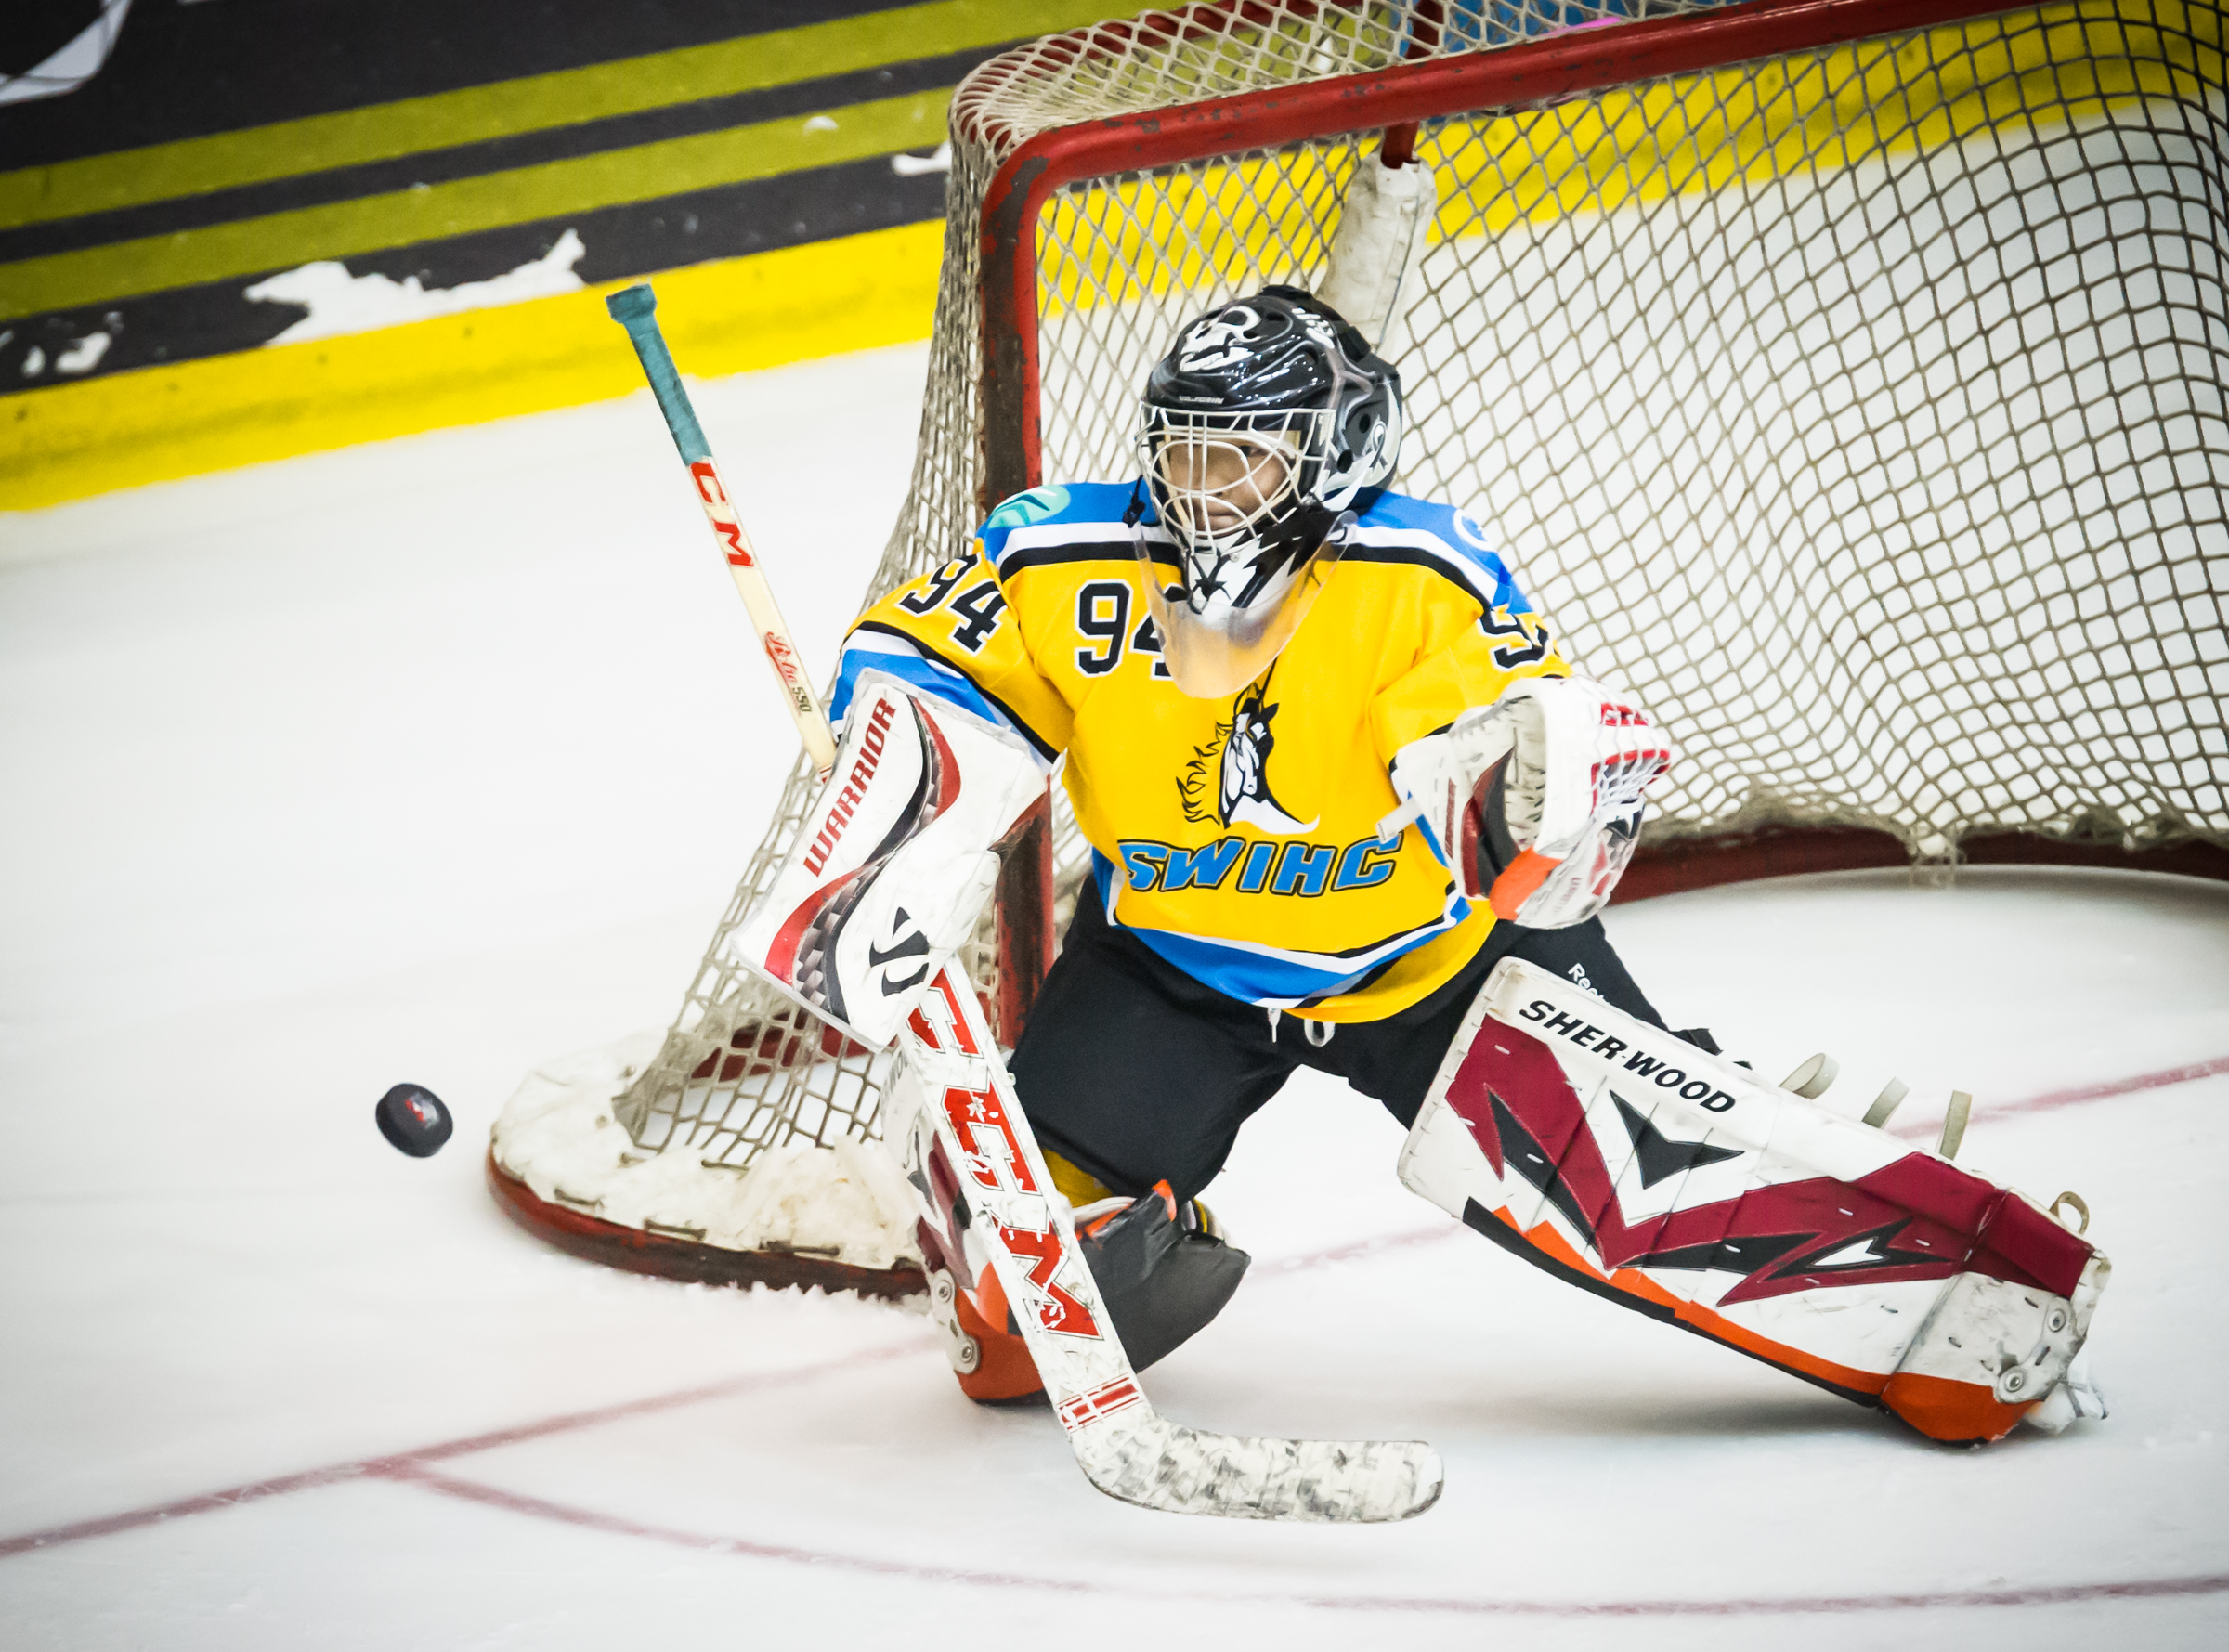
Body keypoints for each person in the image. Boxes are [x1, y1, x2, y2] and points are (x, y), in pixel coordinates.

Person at [827, 285, 1683, 1400]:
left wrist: (1538, 773)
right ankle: (1135, 1204)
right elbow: (915, 648)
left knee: (1667, 1196)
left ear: (1333, 456)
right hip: (1176, 972)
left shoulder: (1418, 577)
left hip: (1436, 967)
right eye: (1183, 456)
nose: (1202, 491)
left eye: (1242, 459)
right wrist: (905, 756)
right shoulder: (1063, 554)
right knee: (1013, 1336)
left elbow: (1505, 721)